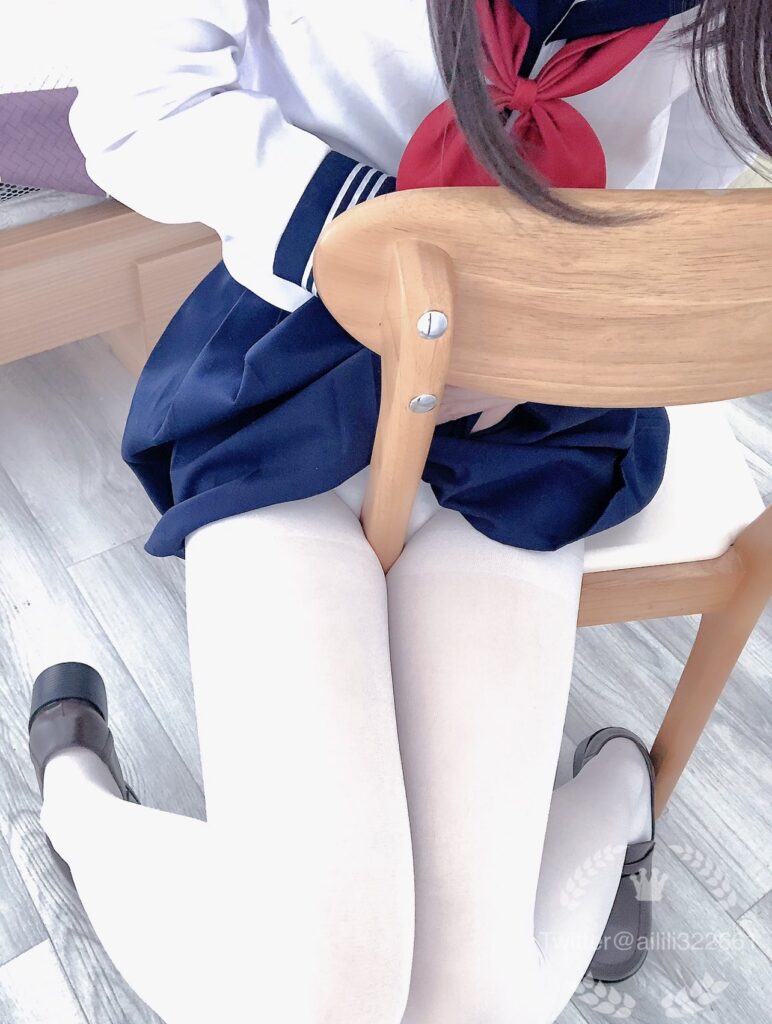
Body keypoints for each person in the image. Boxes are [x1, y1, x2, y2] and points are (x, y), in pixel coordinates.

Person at [28, 1, 768, 1022]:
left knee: (465, 1004)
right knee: (321, 997)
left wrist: (542, 307)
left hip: (536, 395)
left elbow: (690, 173)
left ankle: (614, 791)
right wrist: (395, 264)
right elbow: (132, 100)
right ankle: (78, 806)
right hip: (294, 349)